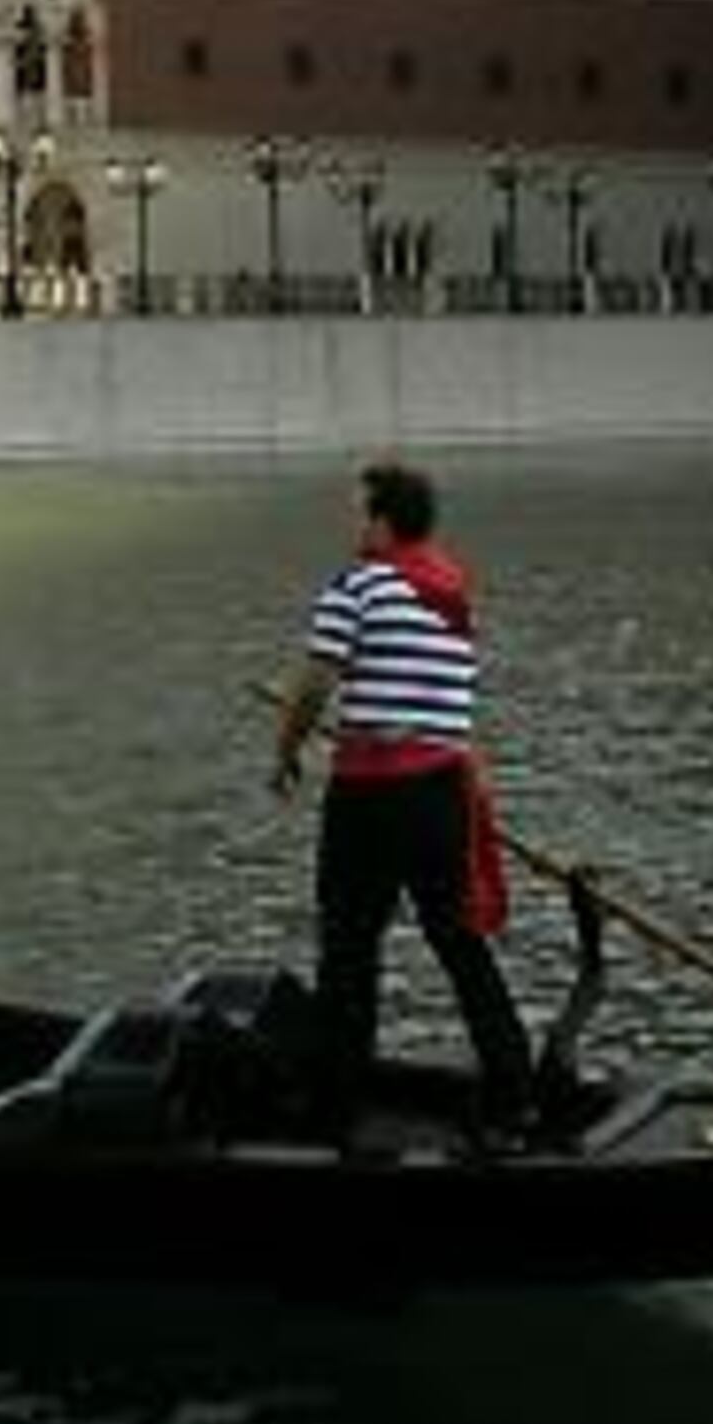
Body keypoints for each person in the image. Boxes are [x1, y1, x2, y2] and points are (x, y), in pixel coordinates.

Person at [270, 458, 537, 1147]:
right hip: (442, 793)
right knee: (458, 943)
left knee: (350, 947)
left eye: (357, 510)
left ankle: (336, 1106)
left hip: (371, 795)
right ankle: (515, 1094)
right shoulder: (453, 590)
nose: (350, 522)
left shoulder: (358, 587)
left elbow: (314, 684)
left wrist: (286, 750)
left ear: (382, 520)